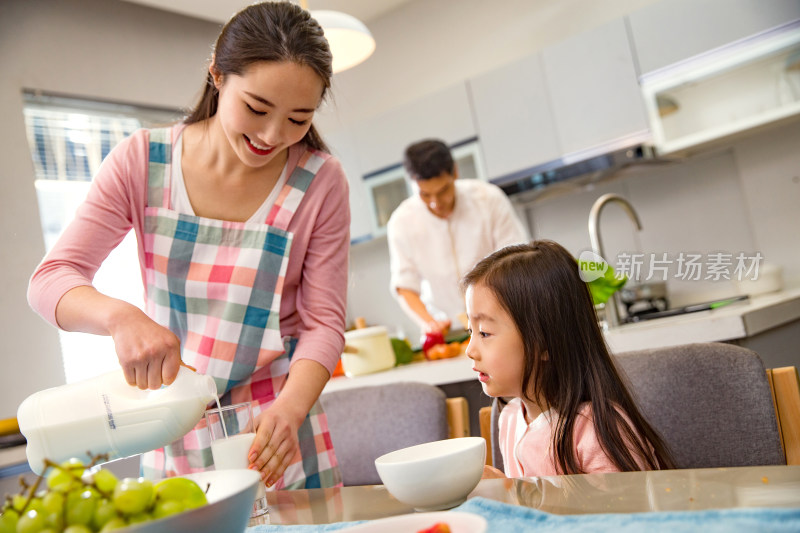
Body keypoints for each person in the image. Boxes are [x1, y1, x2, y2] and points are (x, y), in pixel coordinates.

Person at [27, 2, 348, 489]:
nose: (271, 136)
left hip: (279, 432)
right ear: (217, 75)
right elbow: (51, 279)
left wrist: (291, 409)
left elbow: (323, 324)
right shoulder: (143, 162)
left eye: (297, 119)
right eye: (257, 109)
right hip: (172, 428)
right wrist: (122, 319)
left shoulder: (320, 182)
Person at [461, 240, 676, 477]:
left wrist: (510, 493)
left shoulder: (595, 430)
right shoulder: (510, 418)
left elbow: (622, 512)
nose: (470, 350)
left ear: (544, 342)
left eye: (484, 333)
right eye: (471, 332)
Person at [387, 139, 527, 337]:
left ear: (455, 172)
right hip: (445, 330)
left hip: (498, 323)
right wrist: (429, 323)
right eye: (425, 195)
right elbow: (405, 286)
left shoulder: (489, 199)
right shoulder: (401, 222)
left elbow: (516, 261)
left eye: (443, 191)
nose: (435, 203)